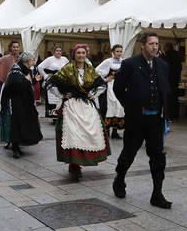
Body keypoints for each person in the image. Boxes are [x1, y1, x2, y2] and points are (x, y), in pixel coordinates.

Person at [112, 32, 173, 209]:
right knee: (129, 153)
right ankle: (120, 178)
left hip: (156, 120)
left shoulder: (162, 65)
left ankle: (157, 194)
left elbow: (166, 89)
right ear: (142, 45)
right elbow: (118, 88)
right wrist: (130, 106)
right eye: (151, 44)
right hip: (136, 120)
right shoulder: (130, 64)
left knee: (157, 156)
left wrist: (166, 111)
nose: (155, 47)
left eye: (157, 44)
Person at [50, 44, 111, 181]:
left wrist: (93, 94)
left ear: (86, 54)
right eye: (78, 53)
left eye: (83, 53)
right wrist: (62, 95)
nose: (81, 55)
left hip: (86, 106)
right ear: (74, 55)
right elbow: (51, 83)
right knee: (73, 134)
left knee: (88, 133)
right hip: (71, 106)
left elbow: (101, 84)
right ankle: (74, 165)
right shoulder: (67, 68)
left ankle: (82, 161)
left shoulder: (90, 69)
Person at [0, 52, 43, 158]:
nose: (34, 62)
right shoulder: (15, 69)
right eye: (32, 60)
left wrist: (32, 81)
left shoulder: (26, 70)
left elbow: (26, 84)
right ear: (27, 61)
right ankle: (15, 148)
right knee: (16, 124)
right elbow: (15, 85)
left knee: (23, 123)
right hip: (15, 102)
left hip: (24, 102)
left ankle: (18, 145)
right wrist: (27, 81)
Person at [0, 40, 21, 148]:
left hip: (18, 88)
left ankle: (17, 138)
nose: (16, 49)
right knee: (7, 113)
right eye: (14, 47)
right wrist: (1, 77)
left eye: (17, 47)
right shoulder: (6, 58)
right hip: (7, 88)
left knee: (17, 113)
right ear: (10, 48)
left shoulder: (21, 58)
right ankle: (8, 138)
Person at [96, 44, 126, 139]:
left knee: (119, 107)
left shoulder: (123, 62)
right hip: (109, 87)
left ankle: (115, 131)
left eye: (120, 51)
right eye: (117, 51)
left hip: (120, 87)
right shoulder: (108, 61)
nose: (119, 53)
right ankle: (106, 130)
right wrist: (105, 79)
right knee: (109, 108)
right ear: (113, 52)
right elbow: (96, 71)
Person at [37, 45, 70, 120]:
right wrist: (45, 75)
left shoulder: (64, 59)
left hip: (62, 80)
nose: (58, 52)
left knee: (61, 96)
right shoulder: (50, 59)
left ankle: (61, 114)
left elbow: (69, 67)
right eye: (57, 51)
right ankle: (53, 116)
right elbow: (39, 67)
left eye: (60, 51)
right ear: (54, 52)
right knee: (53, 96)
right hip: (53, 80)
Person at [162, 42, 182, 121]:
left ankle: (170, 116)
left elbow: (166, 67)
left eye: (165, 47)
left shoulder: (168, 56)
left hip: (169, 81)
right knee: (175, 98)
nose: (164, 49)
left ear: (168, 48)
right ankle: (175, 116)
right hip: (175, 80)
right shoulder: (177, 56)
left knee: (169, 99)